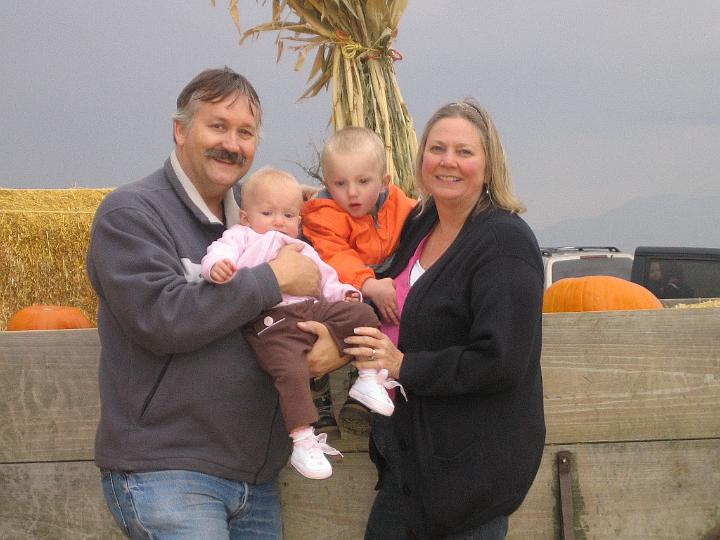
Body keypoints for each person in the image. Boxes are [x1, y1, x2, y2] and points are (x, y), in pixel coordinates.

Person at [87, 67, 339, 539]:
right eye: (217, 126)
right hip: (168, 471)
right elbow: (161, 318)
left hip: (255, 478)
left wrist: (329, 341)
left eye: (245, 132)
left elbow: (296, 308)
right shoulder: (131, 214)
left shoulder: (260, 221)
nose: (232, 143)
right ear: (180, 130)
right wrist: (272, 278)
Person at [343, 100, 546, 539]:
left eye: (464, 151)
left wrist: (404, 367)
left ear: (489, 168)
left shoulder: (504, 243)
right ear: (421, 161)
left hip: (468, 483)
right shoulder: (421, 223)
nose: (448, 161)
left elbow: (500, 359)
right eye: (437, 148)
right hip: (410, 471)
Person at [200, 166, 387, 480]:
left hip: (311, 310)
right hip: (271, 321)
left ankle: (368, 376)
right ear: (245, 217)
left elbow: (327, 280)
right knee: (291, 370)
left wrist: (346, 293)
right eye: (268, 212)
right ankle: (302, 437)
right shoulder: (241, 237)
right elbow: (218, 252)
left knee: (364, 316)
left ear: (299, 222)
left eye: (288, 215)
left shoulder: (304, 248)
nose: (278, 221)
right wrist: (216, 267)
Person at [302, 127, 416, 434]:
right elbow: (335, 255)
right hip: (341, 288)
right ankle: (320, 398)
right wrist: (369, 284)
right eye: (340, 183)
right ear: (326, 183)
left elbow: (422, 222)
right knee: (347, 311)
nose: (352, 193)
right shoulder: (323, 214)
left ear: (384, 182)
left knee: (391, 314)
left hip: (380, 285)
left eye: (363, 182)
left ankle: (363, 392)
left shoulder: (400, 206)